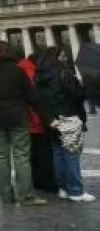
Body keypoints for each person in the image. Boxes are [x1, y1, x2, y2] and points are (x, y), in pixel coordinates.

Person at [0, 39, 52, 207]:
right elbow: (33, 97)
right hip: (17, 116)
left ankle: (6, 195)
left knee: (1, 156)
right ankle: (26, 195)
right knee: (21, 156)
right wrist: (49, 119)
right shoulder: (18, 71)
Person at [35, 46, 94, 202]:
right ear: (56, 58)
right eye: (62, 56)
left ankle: (62, 188)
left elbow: (39, 101)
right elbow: (78, 95)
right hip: (68, 117)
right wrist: (82, 85)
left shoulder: (39, 76)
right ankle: (75, 190)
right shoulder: (64, 73)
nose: (65, 59)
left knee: (58, 154)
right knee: (71, 154)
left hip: (51, 120)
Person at [17, 48, 57, 193]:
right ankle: (48, 182)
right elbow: (37, 99)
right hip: (37, 119)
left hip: (22, 119)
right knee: (44, 152)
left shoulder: (18, 70)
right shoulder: (34, 73)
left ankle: (35, 180)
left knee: (30, 153)